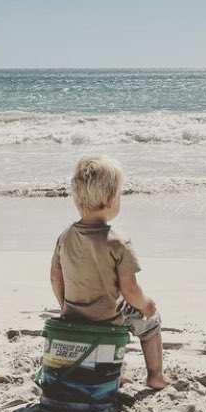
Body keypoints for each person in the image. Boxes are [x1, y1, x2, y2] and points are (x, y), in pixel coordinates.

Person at [50, 154, 169, 390]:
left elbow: (55, 277)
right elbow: (130, 290)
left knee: (117, 311)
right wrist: (147, 305)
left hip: (74, 316)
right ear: (110, 199)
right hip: (108, 320)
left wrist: (66, 307)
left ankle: (113, 373)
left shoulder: (65, 237)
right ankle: (156, 376)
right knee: (151, 323)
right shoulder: (118, 242)